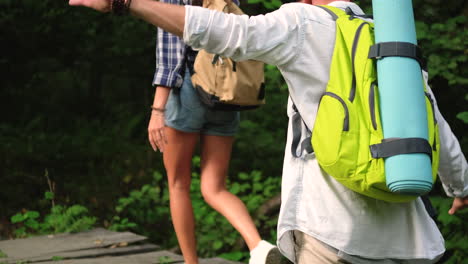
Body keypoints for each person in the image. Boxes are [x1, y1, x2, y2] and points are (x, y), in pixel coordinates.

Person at [68, 0, 468, 263]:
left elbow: (227, 33)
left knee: (184, 183)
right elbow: (436, 125)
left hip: (334, 237)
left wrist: (126, 3)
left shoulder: (304, 22)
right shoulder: (391, 39)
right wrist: (460, 186)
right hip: (413, 243)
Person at [146, 0, 280, 262]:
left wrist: (157, 109)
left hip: (188, 90)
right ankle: (258, 246)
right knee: (214, 188)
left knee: (178, 184)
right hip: (226, 94)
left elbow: (171, 54)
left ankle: (191, 262)